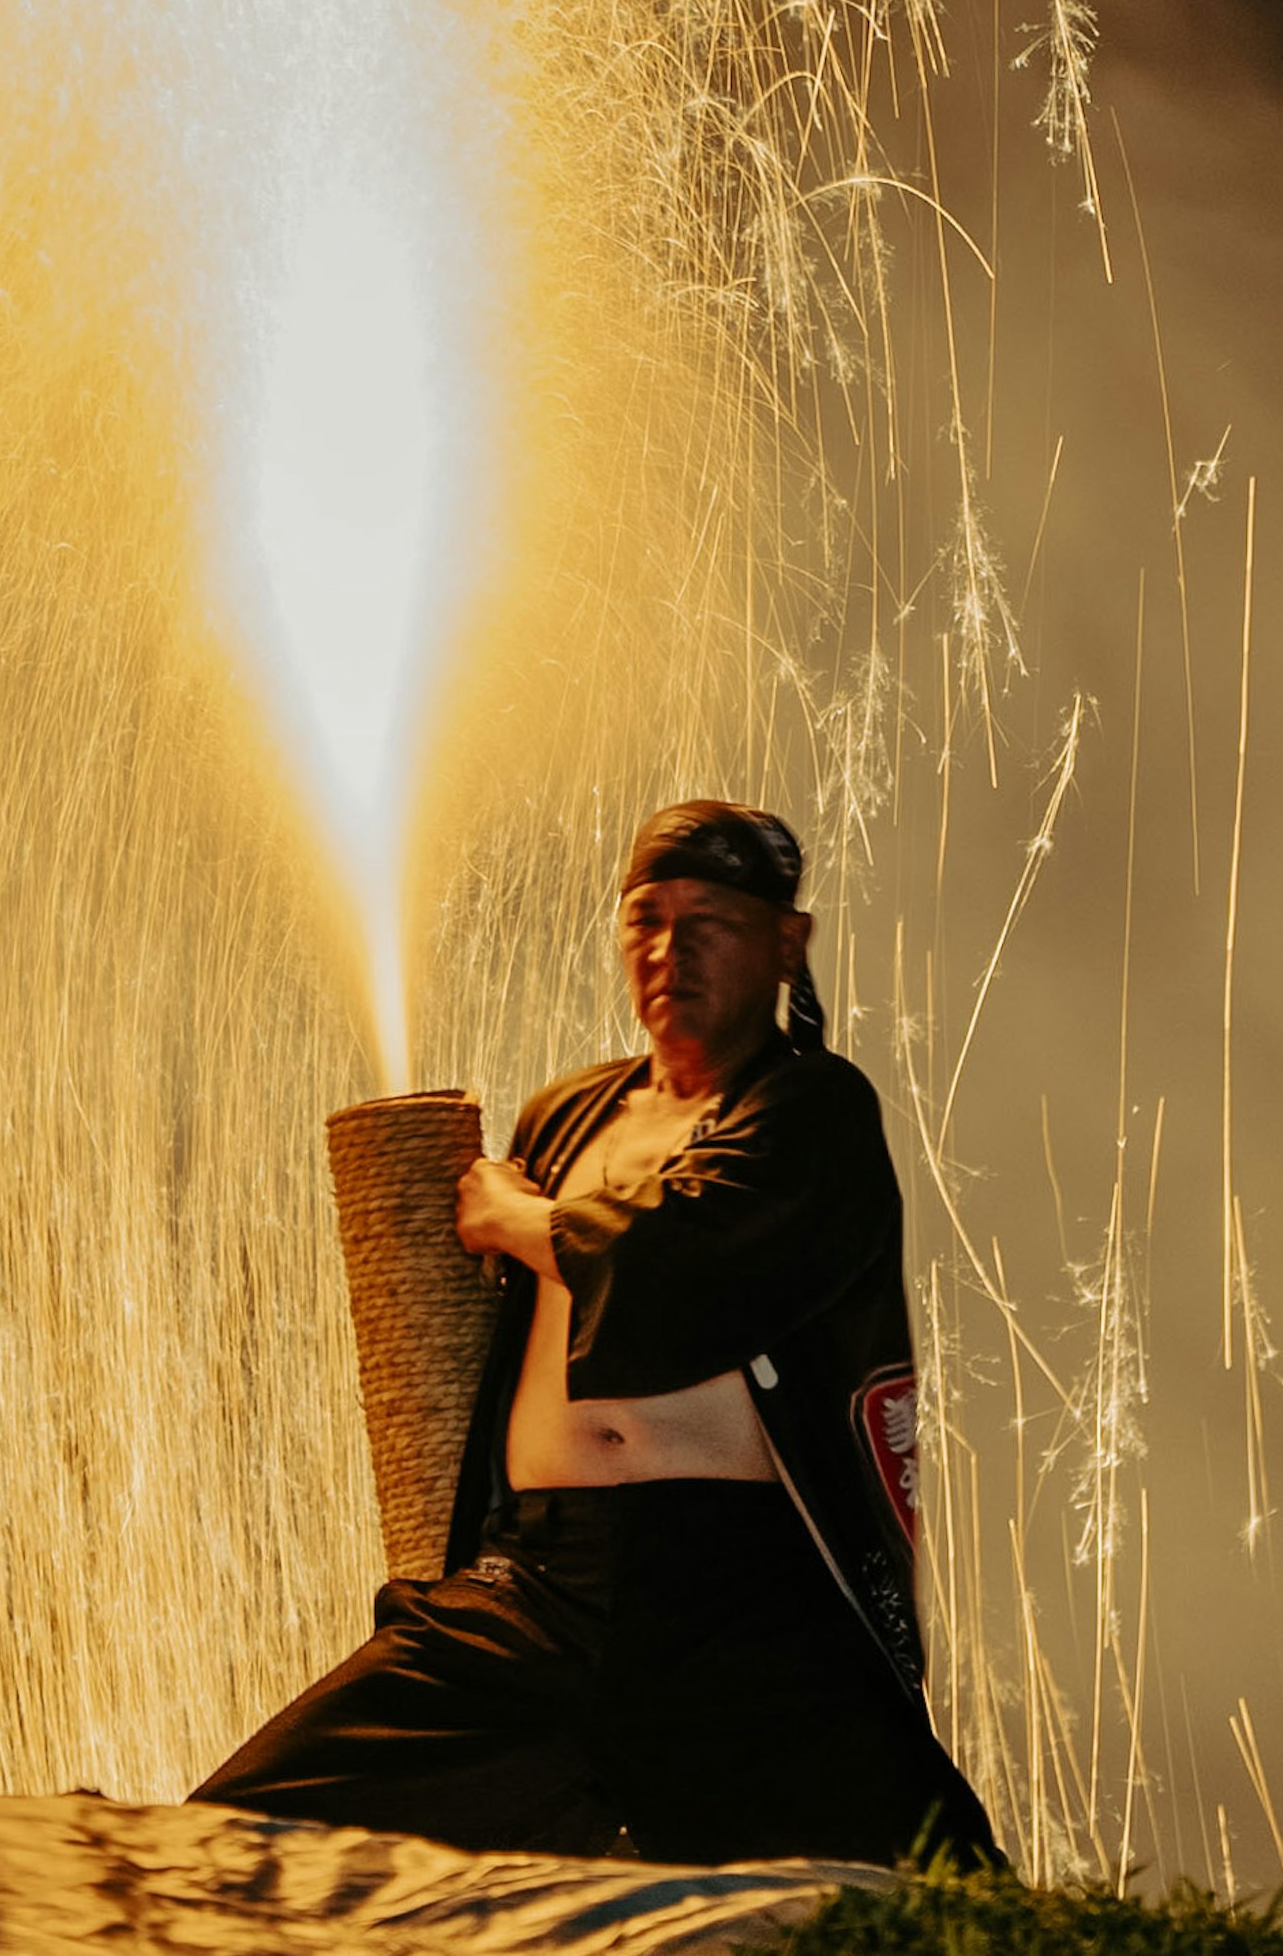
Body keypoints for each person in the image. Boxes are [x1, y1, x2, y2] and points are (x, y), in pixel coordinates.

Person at [193, 800, 1000, 1868]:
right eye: (646, 918)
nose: (672, 949)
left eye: (710, 918)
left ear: (784, 942)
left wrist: (519, 1218)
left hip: (736, 1602)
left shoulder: (814, 1107)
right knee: (237, 1830)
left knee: (934, 1888)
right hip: (532, 1581)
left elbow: (692, 1263)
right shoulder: (564, 1114)